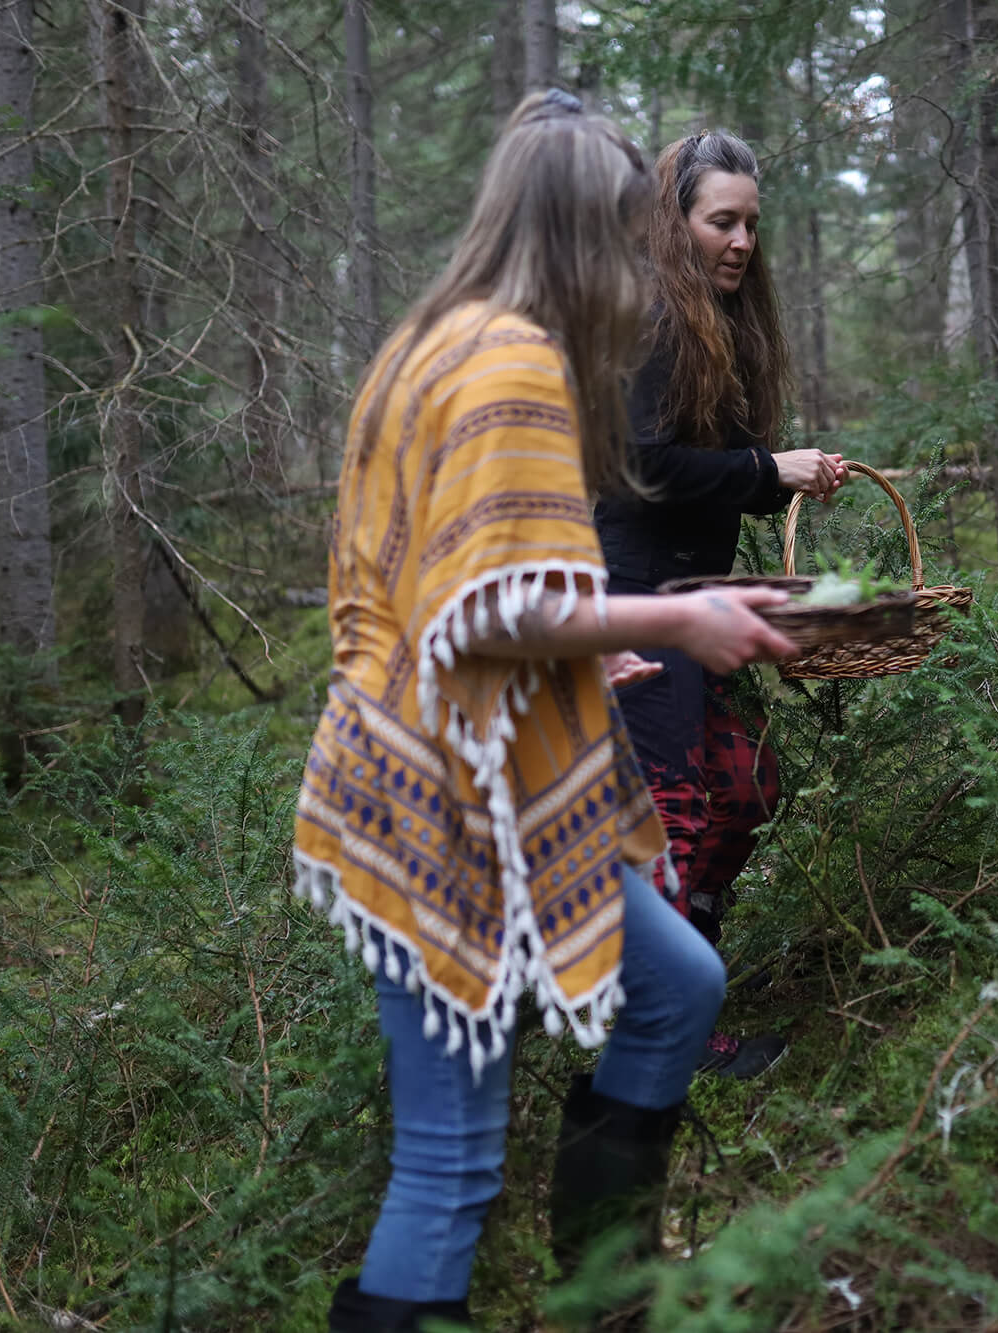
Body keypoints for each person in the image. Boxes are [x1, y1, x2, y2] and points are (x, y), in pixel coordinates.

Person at [292, 92, 799, 1333]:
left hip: (482, 763)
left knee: (677, 981)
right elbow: (482, 607)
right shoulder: (510, 362)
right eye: (635, 230)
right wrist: (668, 622)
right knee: (448, 1162)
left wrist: (577, 667)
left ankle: (607, 1290)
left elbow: (435, 593)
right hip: (446, 803)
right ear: (590, 230)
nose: (648, 261)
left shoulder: (431, 339)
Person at [593, 129, 848, 1080]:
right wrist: (762, 470)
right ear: (677, 221)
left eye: (750, 224)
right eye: (720, 222)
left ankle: (673, 988)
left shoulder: (715, 323)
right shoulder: (652, 318)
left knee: (743, 791)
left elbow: (711, 472)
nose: (741, 242)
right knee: (675, 813)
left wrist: (781, 477)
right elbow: (639, 467)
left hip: (693, 600)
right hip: (637, 601)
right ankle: (662, 1026)